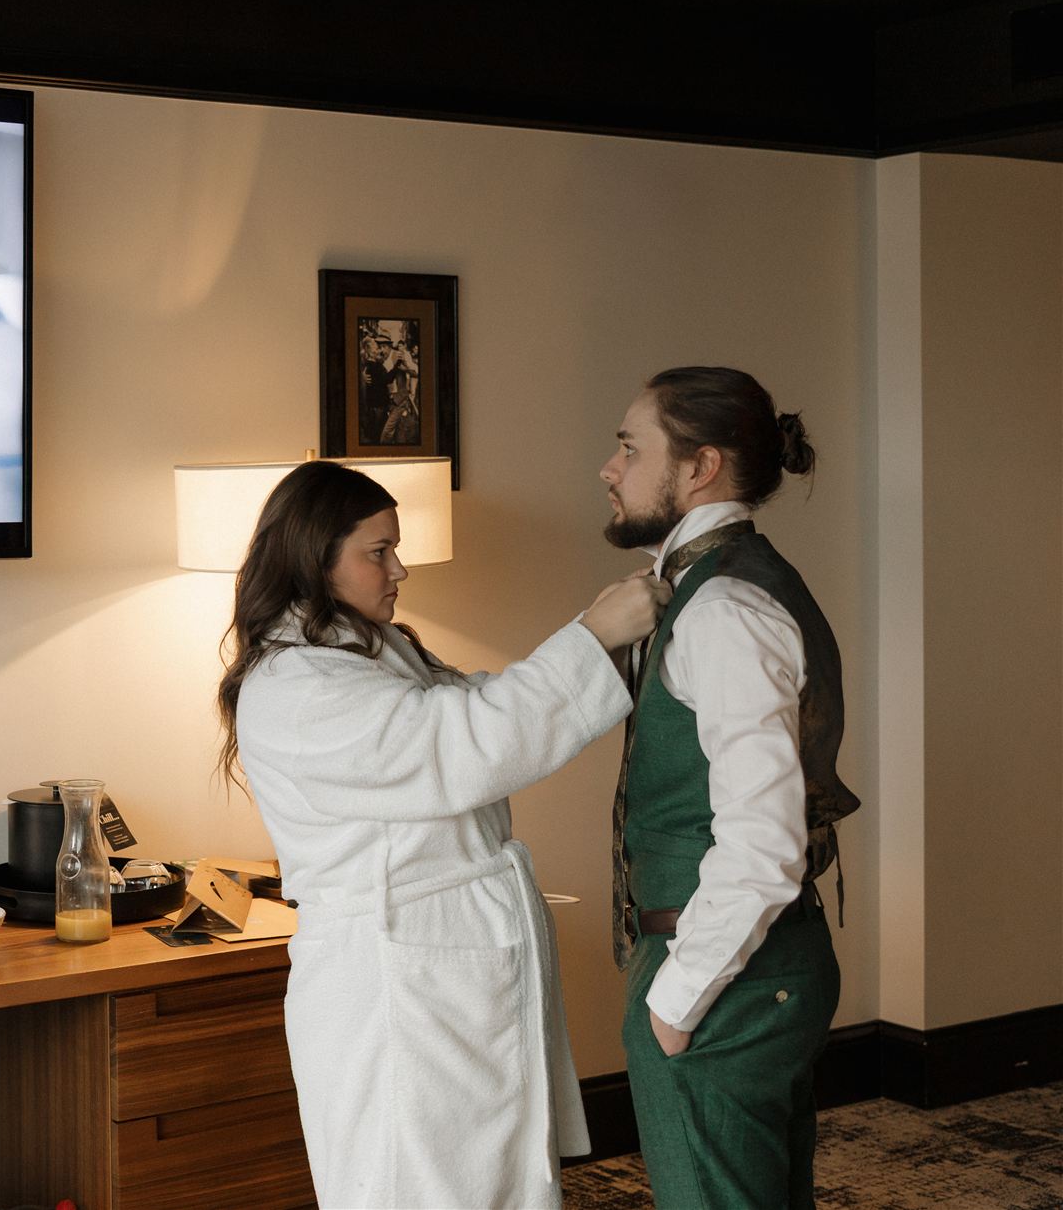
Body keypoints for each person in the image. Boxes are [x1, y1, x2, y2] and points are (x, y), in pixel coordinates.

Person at [217, 459, 669, 1209]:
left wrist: (595, 645)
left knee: (482, 1178)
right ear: (314, 556)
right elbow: (460, 742)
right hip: (395, 980)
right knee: (418, 1184)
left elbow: (478, 701)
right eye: (378, 550)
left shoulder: (369, 647)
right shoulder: (298, 687)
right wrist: (589, 637)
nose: (400, 568)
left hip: (444, 961)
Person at [601, 366, 860, 1210]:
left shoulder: (724, 609)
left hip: (720, 972)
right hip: (747, 965)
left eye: (631, 447)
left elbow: (762, 839)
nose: (611, 468)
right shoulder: (715, 585)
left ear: (700, 465)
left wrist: (674, 1004)